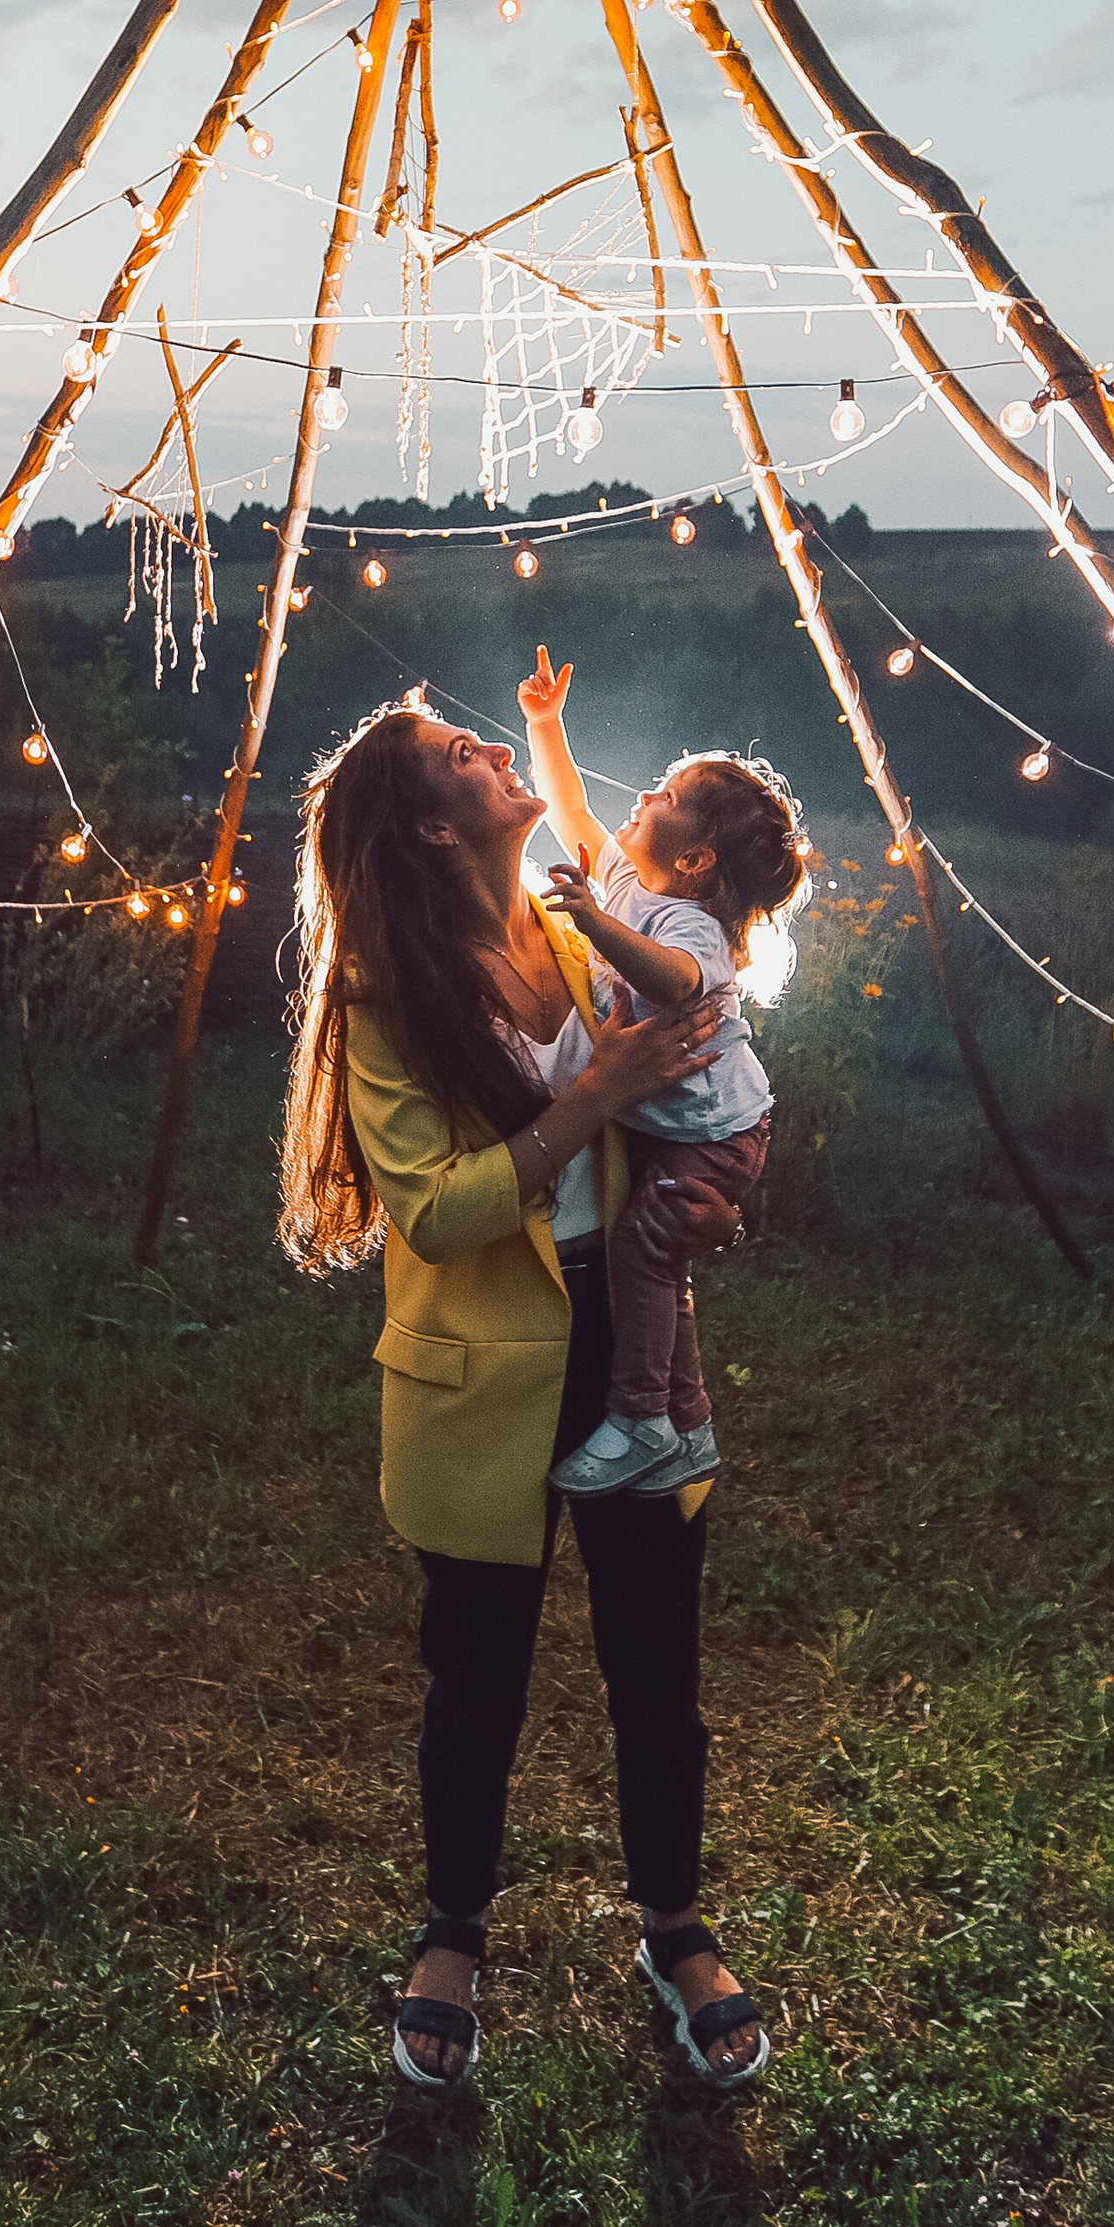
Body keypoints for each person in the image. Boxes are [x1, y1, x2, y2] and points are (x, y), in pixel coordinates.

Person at [281, 697, 771, 2096]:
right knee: (476, 1675)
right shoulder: (392, 991)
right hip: (483, 1376)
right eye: (465, 757)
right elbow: (431, 1216)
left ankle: (674, 1926)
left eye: (492, 746)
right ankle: (452, 1936)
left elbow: (697, 1086)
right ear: (436, 825)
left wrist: (711, 1199)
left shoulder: (578, 930)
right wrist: (596, 1095)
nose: (500, 754)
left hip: (629, 1348)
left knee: (658, 1662)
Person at [516, 650, 807, 1502]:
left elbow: (675, 981)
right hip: (688, 1129)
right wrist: (545, 726)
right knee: (658, 1262)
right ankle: (690, 1429)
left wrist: (602, 927)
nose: (643, 797)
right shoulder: (630, 880)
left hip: (717, 1134)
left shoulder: (689, 923)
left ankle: (642, 1416)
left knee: (644, 1254)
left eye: (669, 799)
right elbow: (568, 806)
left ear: (697, 863)